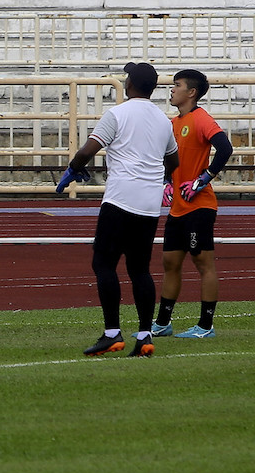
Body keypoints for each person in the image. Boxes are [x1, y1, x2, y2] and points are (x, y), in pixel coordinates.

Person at [57, 62, 179, 357]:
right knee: (139, 269)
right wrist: (158, 179)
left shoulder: (117, 114)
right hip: (149, 204)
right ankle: (146, 336)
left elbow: (88, 150)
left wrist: (73, 170)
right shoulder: (164, 120)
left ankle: (112, 333)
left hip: (121, 198)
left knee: (104, 263)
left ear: (130, 84)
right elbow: (173, 162)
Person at [152, 69, 233, 338]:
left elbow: (225, 148)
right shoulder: (174, 124)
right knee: (170, 262)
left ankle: (206, 326)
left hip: (200, 208)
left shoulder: (201, 119)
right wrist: (167, 182)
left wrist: (203, 179)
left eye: (177, 86)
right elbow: (170, 160)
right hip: (178, 208)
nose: (171, 90)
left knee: (203, 264)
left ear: (192, 92)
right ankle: (163, 323)